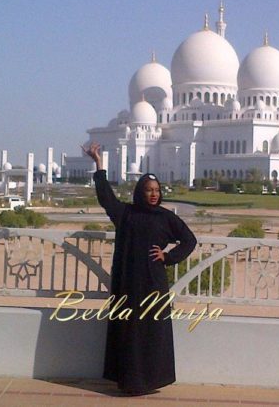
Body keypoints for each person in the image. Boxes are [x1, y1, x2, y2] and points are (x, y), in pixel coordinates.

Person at [82, 143, 197, 395]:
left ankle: (151, 380)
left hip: (153, 283)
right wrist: (99, 164)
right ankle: (129, 381)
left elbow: (189, 241)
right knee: (129, 331)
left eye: (156, 190)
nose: (153, 194)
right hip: (128, 282)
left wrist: (167, 257)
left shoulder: (166, 218)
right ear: (140, 192)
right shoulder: (126, 213)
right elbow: (106, 198)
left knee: (151, 333)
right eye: (148, 190)